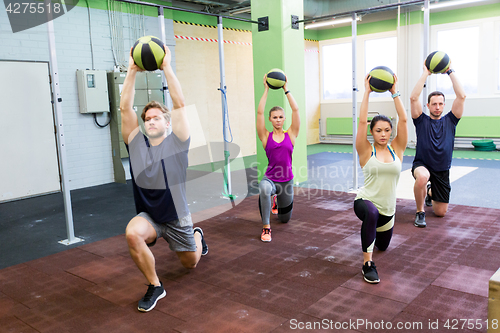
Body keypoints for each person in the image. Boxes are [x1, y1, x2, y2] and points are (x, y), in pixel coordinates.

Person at [120, 45, 208, 312]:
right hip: (150, 216)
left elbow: (180, 105)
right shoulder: (137, 147)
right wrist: (132, 71)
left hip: (177, 216)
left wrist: (167, 66)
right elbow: (125, 110)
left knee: (190, 263)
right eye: (147, 119)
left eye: (157, 117)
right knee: (132, 234)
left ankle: (197, 236)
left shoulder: (177, 144)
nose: (151, 121)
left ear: (167, 123)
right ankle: (155, 285)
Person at [354, 74, 407, 284]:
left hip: (389, 210)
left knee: (383, 245)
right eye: (378, 131)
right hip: (365, 201)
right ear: (372, 132)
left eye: (386, 130)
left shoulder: (397, 149)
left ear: (391, 131)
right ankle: (367, 263)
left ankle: (374, 233)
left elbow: (403, 119)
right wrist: (366, 92)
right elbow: (361, 121)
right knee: (371, 213)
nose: (383, 134)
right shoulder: (366, 151)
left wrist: (395, 92)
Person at [410, 63, 466, 227]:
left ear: (444, 105)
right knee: (422, 177)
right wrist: (425, 74)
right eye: (434, 104)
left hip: (442, 170)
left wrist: (449, 71)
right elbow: (414, 98)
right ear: (428, 106)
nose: (437, 106)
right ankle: (420, 212)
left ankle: (430, 192)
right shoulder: (421, 120)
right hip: (423, 165)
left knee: (440, 213)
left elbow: (461, 96)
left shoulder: (451, 120)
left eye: (440, 103)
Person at [256, 74, 300, 242]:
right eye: (274, 117)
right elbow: (260, 112)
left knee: (284, 219)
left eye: (281, 117)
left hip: (287, 181)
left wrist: (285, 89)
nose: (278, 120)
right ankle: (266, 228)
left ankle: (277, 203)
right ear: (270, 119)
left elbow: (295, 110)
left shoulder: (292, 134)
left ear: (284, 119)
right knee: (264, 189)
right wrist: (266, 89)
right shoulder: (265, 136)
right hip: (271, 179)